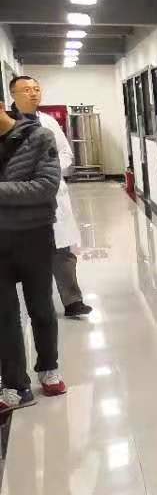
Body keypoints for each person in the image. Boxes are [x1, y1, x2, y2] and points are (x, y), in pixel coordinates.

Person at [0, 104, 66, 411]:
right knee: (4, 315)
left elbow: (45, 187)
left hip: (34, 236)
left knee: (41, 307)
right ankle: (15, 384)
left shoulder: (39, 137)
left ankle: (49, 368)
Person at [9, 76, 91, 317]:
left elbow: (65, 153)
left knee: (63, 251)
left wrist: (52, 171)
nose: (33, 93)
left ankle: (73, 301)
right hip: (22, 195)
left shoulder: (48, 122)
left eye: (36, 89)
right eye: (26, 90)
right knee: (29, 253)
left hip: (51, 193)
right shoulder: (7, 123)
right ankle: (32, 306)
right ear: (13, 94)